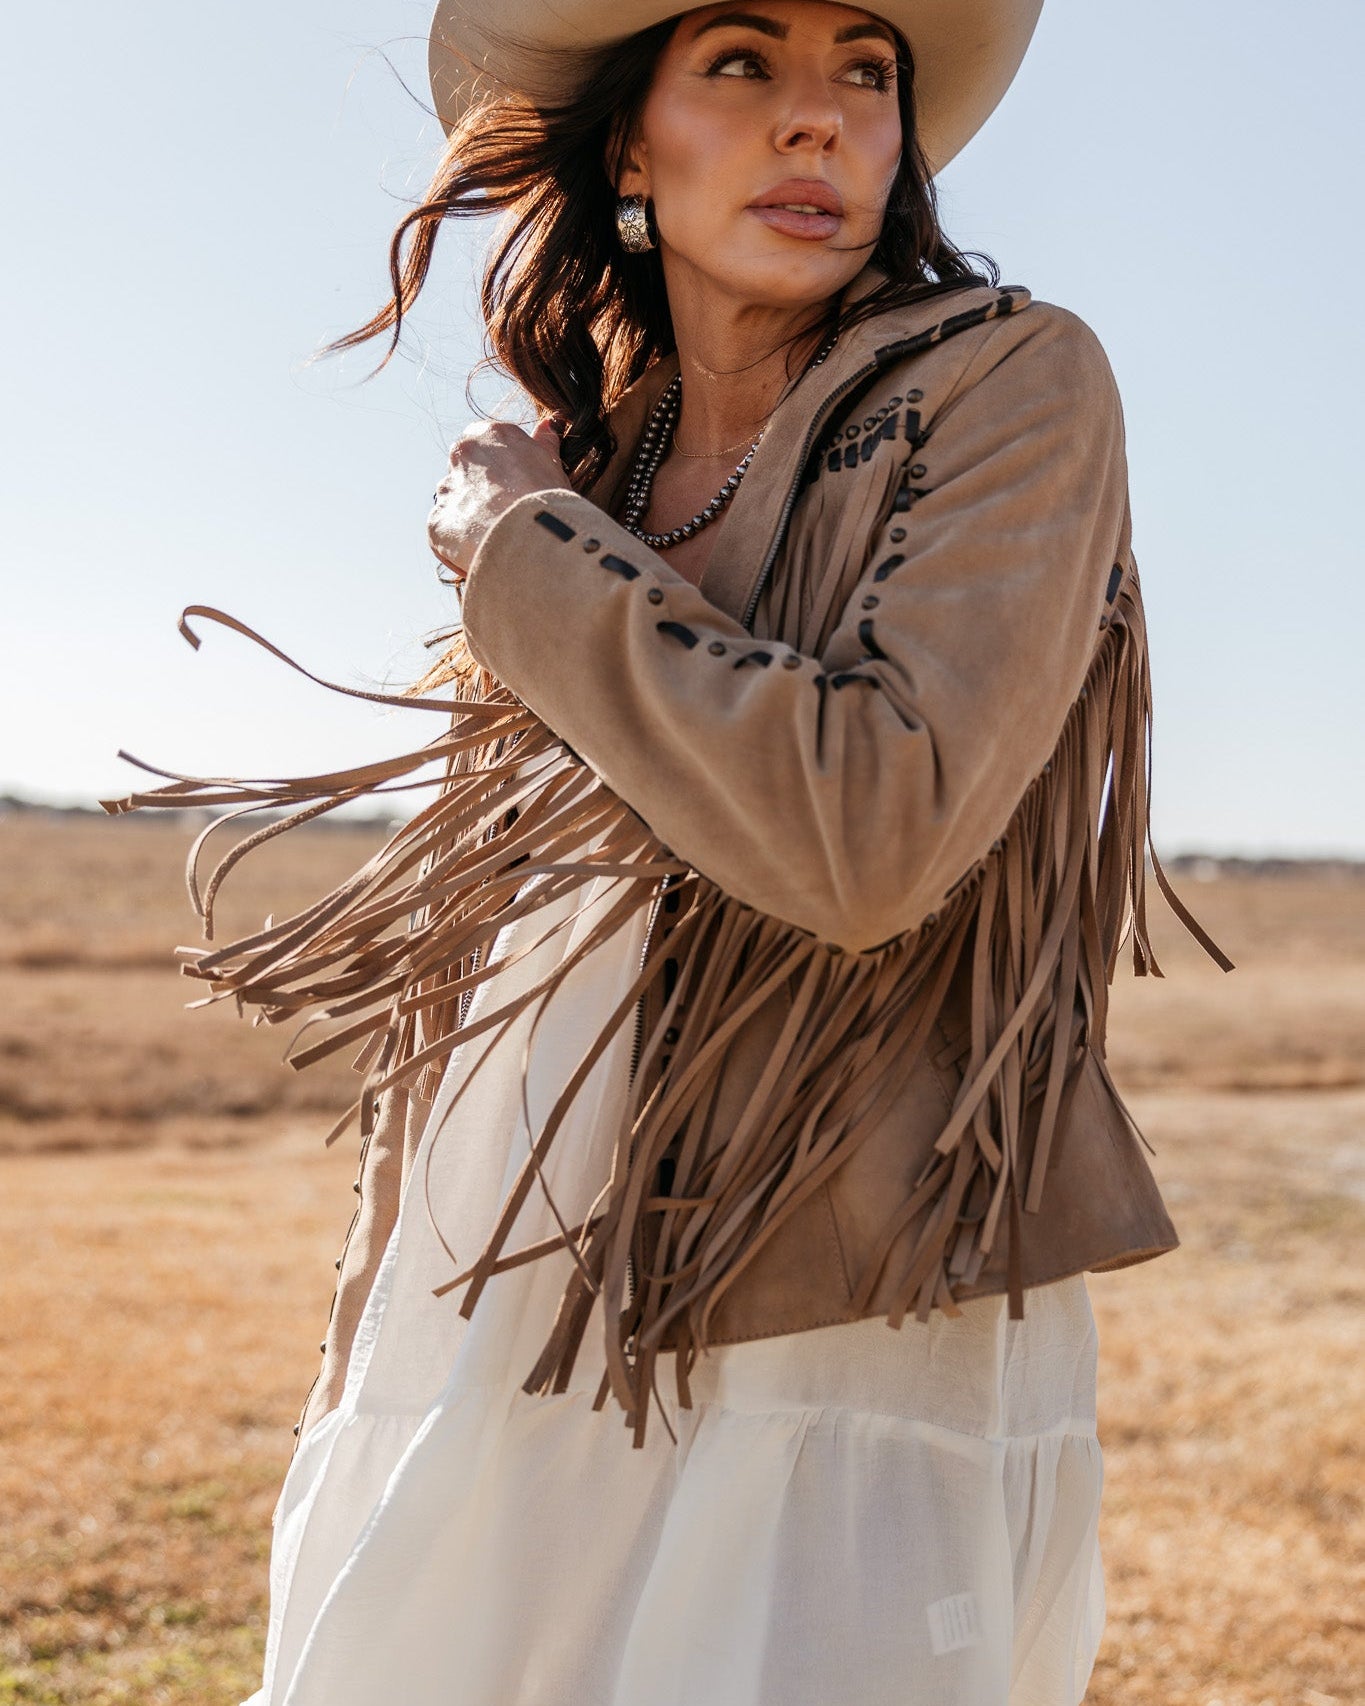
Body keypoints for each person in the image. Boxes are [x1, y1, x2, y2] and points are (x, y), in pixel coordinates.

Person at [107, 1, 1231, 1700]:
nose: (818, 117)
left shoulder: (1003, 380)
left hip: (826, 1278)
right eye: (743, 63)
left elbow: (872, 833)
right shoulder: (593, 461)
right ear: (630, 142)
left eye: (865, 71)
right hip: (503, 1261)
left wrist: (525, 553)